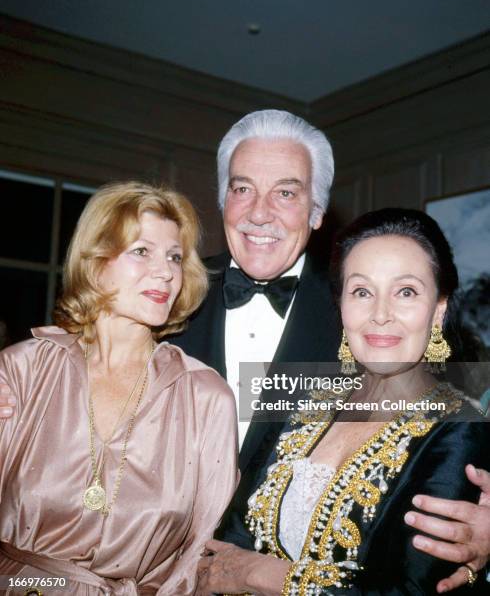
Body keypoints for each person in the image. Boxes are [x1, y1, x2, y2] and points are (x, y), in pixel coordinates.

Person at [1, 111, 489, 588]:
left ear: (317, 212)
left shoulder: (355, 320)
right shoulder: (166, 293)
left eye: (286, 192)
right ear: (222, 201)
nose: (260, 212)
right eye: (242, 189)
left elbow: (451, 408)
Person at [196, 208, 490, 594]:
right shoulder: (309, 396)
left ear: (438, 309)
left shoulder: (460, 428)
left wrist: (255, 574)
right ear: (341, 305)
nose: (381, 315)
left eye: (406, 292)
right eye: (362, 292)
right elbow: (233, 535)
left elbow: (409, 589)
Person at [0, 181, 238, 595]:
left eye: (175, 257)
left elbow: (198, 555)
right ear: (95, 262)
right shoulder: (24, 370)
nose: (165, 271)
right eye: (141, 251)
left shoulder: (205, 398)